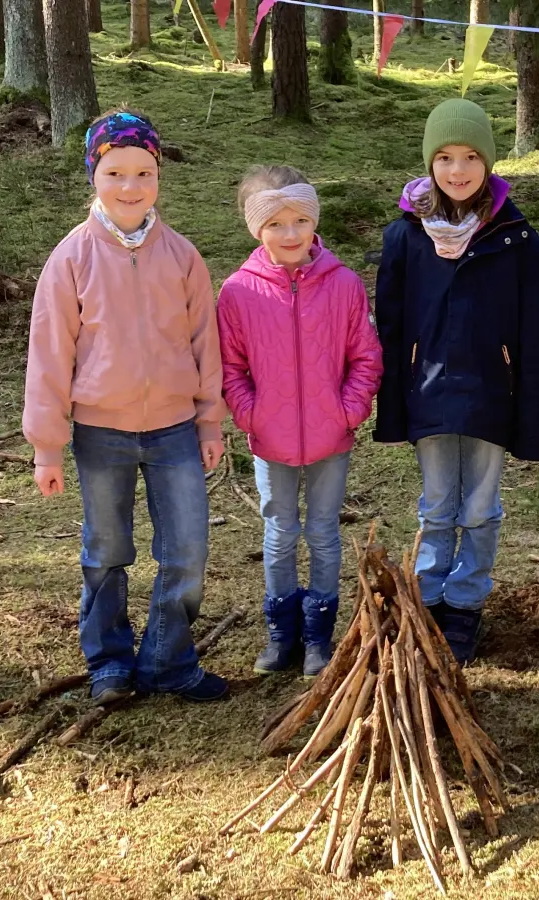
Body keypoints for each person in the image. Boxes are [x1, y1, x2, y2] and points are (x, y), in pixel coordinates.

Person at [24, 110, 229, 705]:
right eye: (116, 172)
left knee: (187, 548)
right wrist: (46, 445)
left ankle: (167, 660)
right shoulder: (70, 259)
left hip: (173, 430)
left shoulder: (183, 256)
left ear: (159, 176)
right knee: (107, 549)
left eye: (144, 172)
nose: (131, 186)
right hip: (100, 432)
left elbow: (204, 345)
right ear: (95, 174)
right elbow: (49, 353)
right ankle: (110, 662)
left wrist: (209, 420)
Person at [373, 98, 539, 663]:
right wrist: (394, 402)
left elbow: (534, 336)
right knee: (436, 504)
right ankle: (427, 600)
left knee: (478, 506)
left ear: (489, 163)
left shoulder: (517, 240)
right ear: (430, 163)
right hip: (427, 392)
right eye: (445, 157)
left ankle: (466, 602)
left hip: (490, 396)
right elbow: (392, 328)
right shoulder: (404, 238)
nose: (457, 170)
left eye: (470, 156)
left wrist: (527, 414)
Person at [218, 165, 382, 678]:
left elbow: (366, 358)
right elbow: (230, 367)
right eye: (275, 224)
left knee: (323, 533)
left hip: (332, 439)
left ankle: (318, 635)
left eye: (300, 221)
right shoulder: (238, 292)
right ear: (256, 229)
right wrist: (251, 414)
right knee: (279, 532)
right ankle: (281, 632)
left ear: (314, 222)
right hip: (271, 441)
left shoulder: (344, 285)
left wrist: (348, 410)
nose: (290, 235)